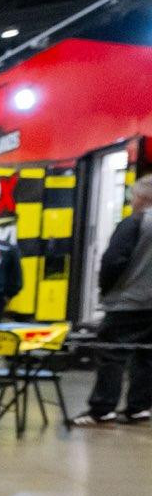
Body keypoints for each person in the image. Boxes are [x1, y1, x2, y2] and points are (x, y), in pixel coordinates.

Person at [73, 175, 152, 425]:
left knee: (112, 355)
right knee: (147, 356)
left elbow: (113, 261)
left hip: (127, 303)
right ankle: (139, 408)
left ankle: (102, 409)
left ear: (140, 197)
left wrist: (106, 291)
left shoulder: (134, 223)